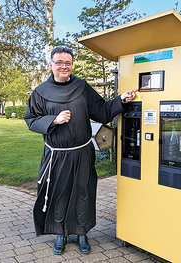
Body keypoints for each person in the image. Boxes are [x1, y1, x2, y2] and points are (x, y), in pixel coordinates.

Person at [24, 46, 136, 255]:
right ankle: (61, 234)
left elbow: (102, 111)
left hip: (82, 152)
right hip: (56, 154)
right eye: (59, 62)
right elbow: (31, 120)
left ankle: (82, 233)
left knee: (83, 192)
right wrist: (53, 121)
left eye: (67, 63)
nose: (63, 66)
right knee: (59, 193)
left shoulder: (82, 87)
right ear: (51, 64)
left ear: (72, 64)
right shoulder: (40, 92)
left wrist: (121, 100)